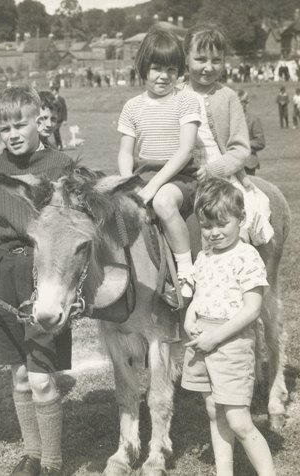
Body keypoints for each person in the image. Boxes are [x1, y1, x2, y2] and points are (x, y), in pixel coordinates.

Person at [0, 86, 76, 476]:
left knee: (40, 376)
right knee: (18, 374)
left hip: (41, 274)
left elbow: (70, 230)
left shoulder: (60, 166)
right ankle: (32, 455)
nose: (13, 134)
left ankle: (52, 462)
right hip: (0, 274)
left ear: (40, 121)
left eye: (20, 124)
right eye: (4, 128)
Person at [182, 177, 276, 476]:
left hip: (231, 341)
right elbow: (200, 294)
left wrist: (216, 337)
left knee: (238, 420)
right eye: (207, 226)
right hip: (204, 341)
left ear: (241, 219)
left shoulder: (246, 257)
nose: (214, 233)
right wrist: (190, 318)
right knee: (214, 412)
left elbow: (252, 309)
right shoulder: (204, 256)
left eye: (222, 224)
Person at [117, 28, 200, 307]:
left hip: (180, 176)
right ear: (143, 68)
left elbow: (186, 150)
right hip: (145, 176)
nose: (163, 76)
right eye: (156, 68)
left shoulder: (185, 100)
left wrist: (154, 187)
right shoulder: (132, 107)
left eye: (171, 69)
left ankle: (186, 270)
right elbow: (126, 152)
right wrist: (127, 184)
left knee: (164, 202)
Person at [182, 23, 273, 247]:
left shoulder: (228, 96)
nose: (208, 67)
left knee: (240, 223)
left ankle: (237, 267)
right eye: (201, 59)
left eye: (216, 60)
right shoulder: (176, 94)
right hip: (182, 171)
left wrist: (213, 170)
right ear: (186, 59)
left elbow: (241, 149)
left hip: (222, 175)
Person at [237, 90, 265, 175]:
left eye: (240, 102)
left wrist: (243, 143)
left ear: (246, 104)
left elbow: (260, 142)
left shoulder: (253, 119)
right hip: (230, 163)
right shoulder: (228, 120)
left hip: (248, 164)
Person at [50, 84, 67, 150]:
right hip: (53, 118)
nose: (52, 92)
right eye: (52, 91)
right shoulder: (51, 99)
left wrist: (65, 120)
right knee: (54, 131)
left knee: (56, 130)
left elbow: (64, 109)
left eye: (53, 91)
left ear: (56, 91)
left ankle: (59, 145)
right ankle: (58, 144)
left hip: (59, 118)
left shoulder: (61, 99)